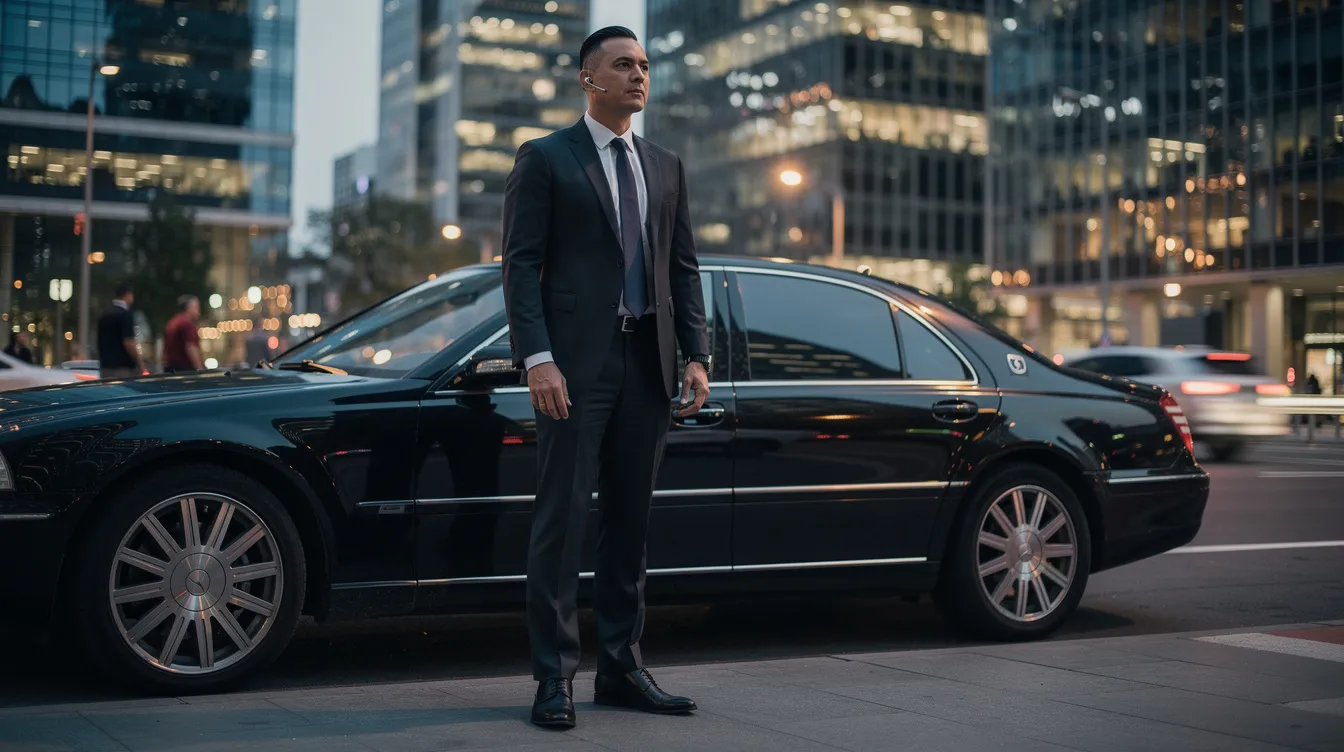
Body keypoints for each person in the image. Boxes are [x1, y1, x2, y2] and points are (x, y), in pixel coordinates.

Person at [501, 25, 711, 731]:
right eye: (623, 65)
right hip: (572, 370)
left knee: (630, 524)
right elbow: (520, 266)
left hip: (646, 366)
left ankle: (622, 668)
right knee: (561, 523)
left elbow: (682, 270)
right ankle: (553, 679)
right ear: (588, 78)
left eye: (645, 65)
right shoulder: (545, 159)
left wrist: (696, 352)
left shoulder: (665, 164)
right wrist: (537, 358)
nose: (638, 76)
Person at [96, 282, 144, 379]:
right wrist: (140, 364)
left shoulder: (104, 314)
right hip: (123, 368)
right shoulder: (125, 314)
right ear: (128, 295)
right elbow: (128, 342)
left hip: (105, 367)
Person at [161, 294, 204, 373]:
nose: (198, 311)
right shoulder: (187, 323)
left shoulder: (173, 321)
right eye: (196, 307)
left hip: (170, 368)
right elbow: (191, 347)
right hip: (184, 369)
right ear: (188, 308)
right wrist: (200, 370)